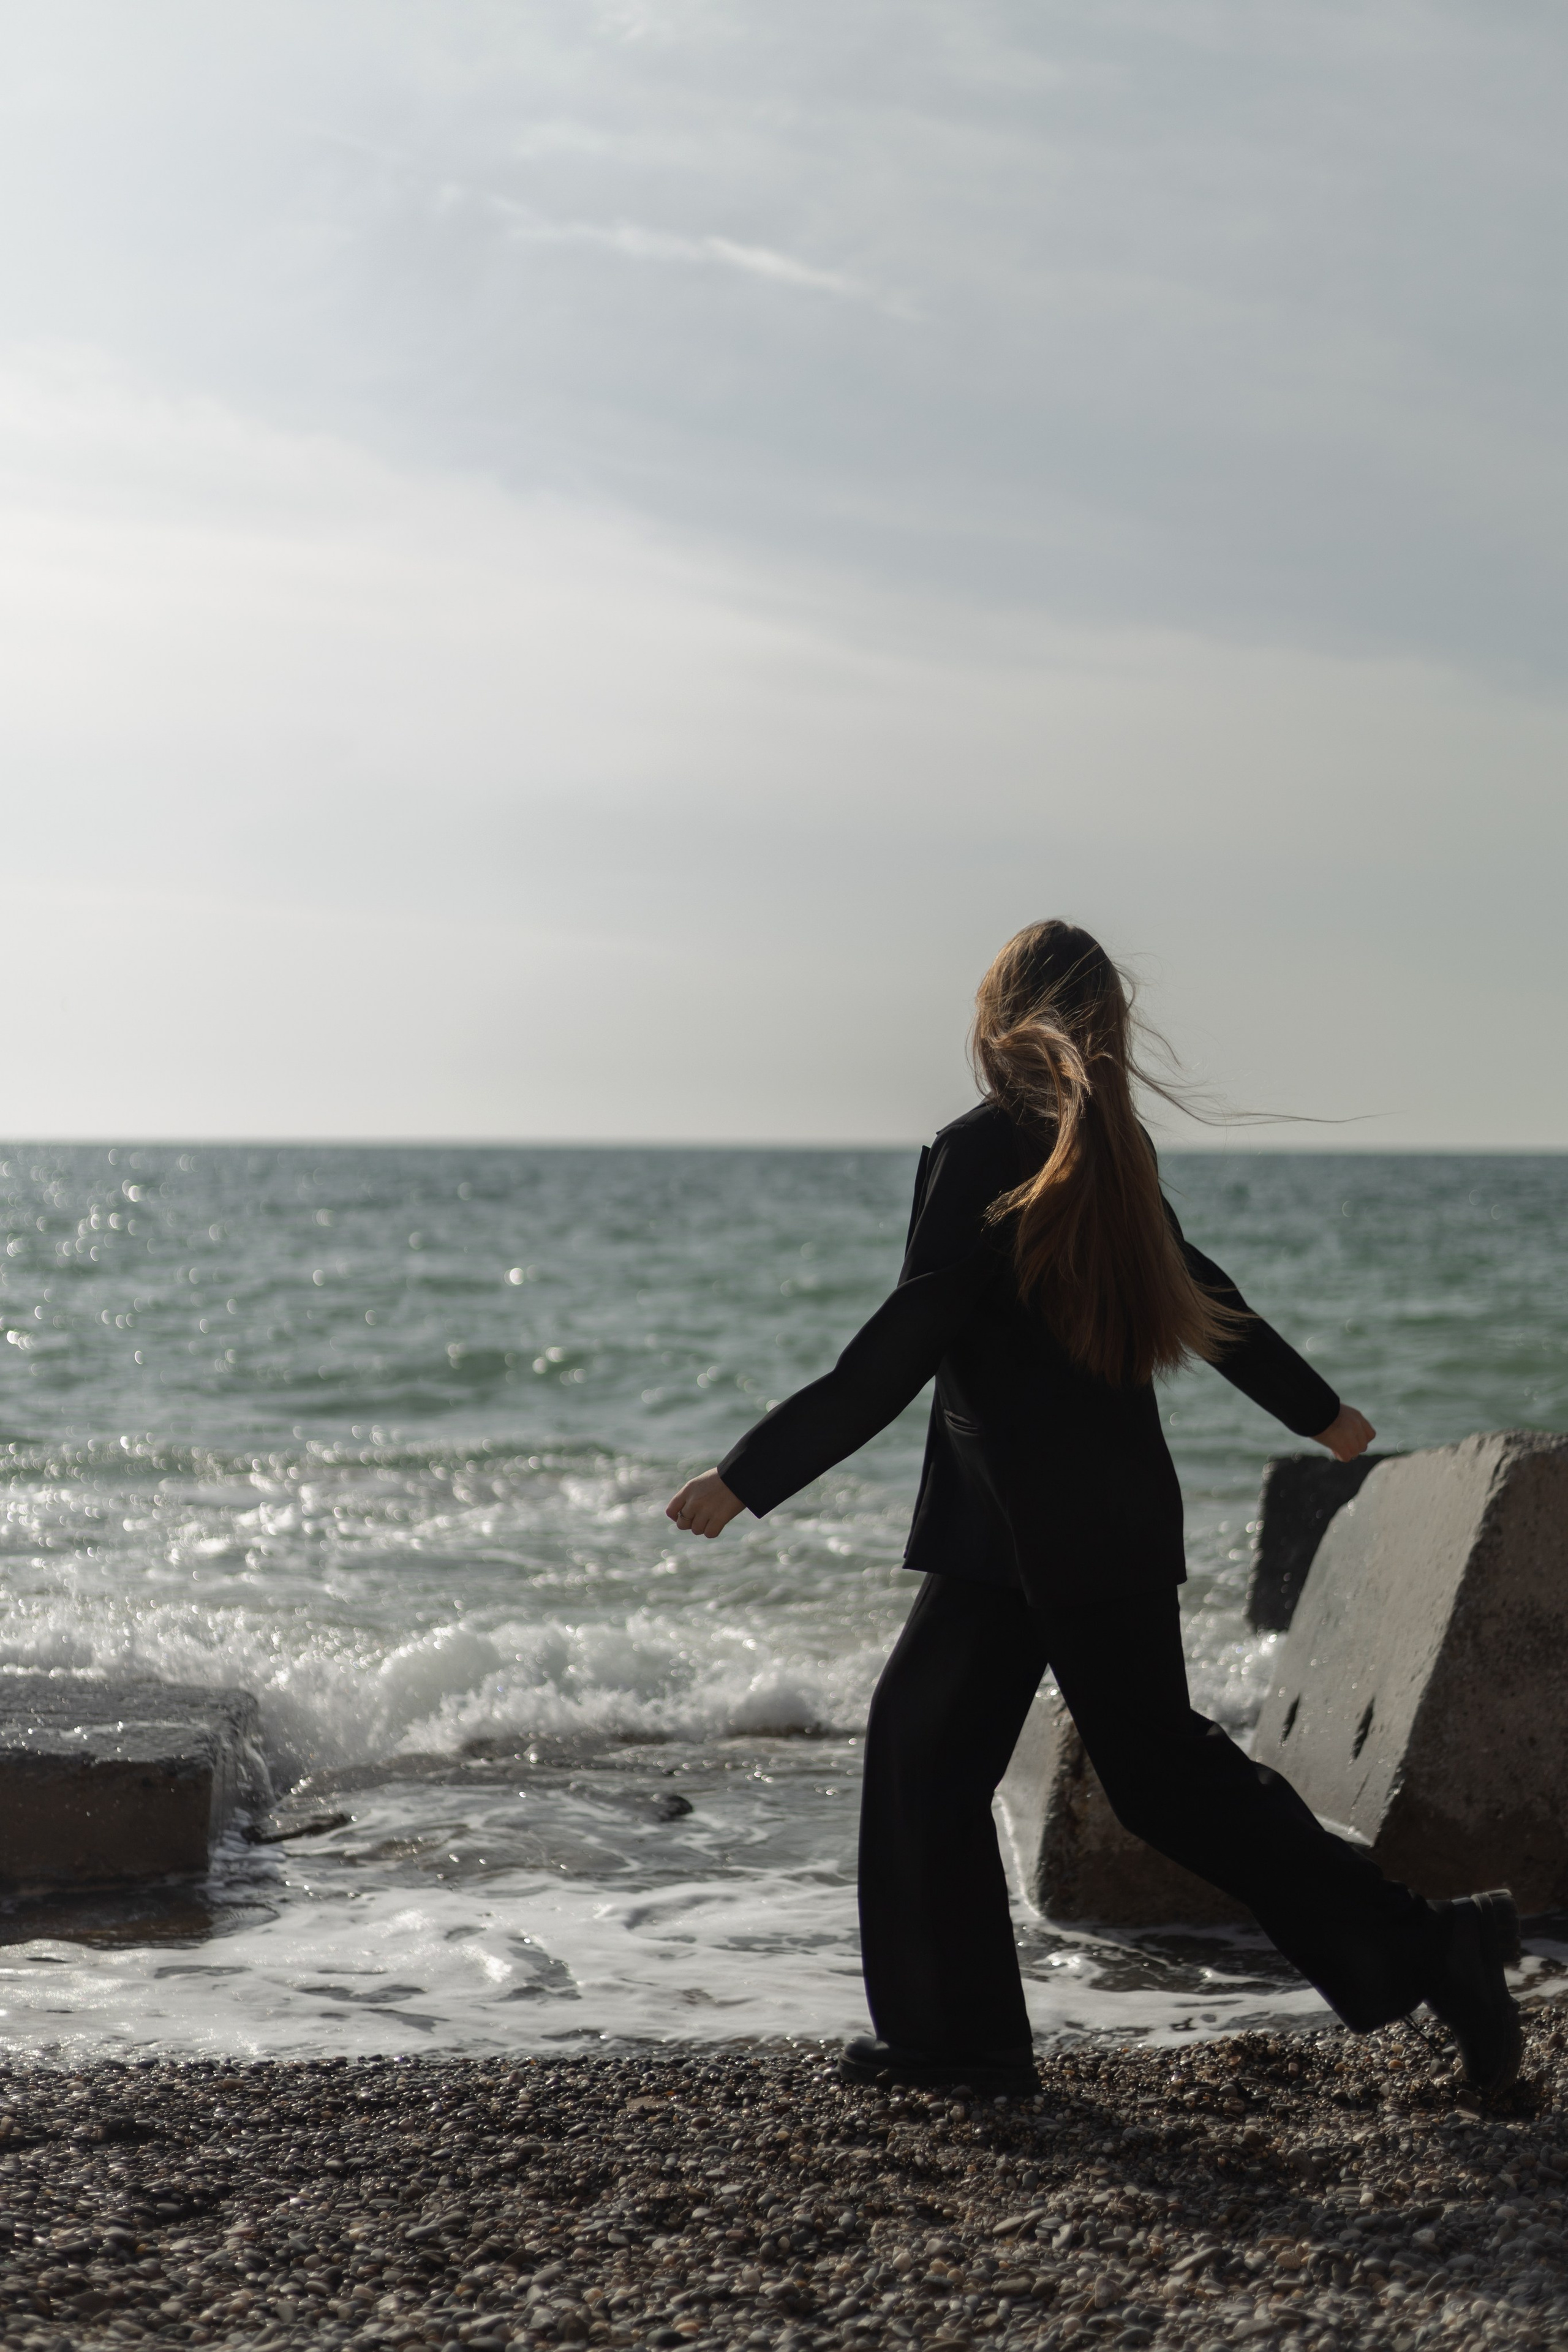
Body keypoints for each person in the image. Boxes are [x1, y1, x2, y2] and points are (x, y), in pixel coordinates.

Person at [666, 920, 1521, 2098]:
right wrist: (1319, 1414)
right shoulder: (1110, 1154)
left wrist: (748, 1474)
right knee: (986, 1761)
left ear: (998, 1017)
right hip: (1070, 1530)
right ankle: (967, 2039)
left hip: (1030, 1536)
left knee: (1078, 1774)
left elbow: (906, 1340)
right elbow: (1207, 1293)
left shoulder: (988, 1153)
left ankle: (1431, 1948)